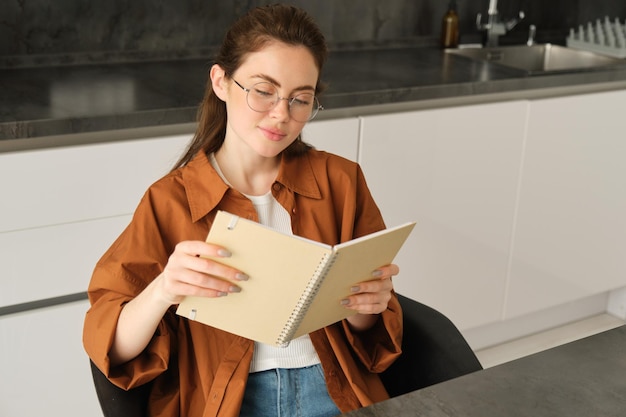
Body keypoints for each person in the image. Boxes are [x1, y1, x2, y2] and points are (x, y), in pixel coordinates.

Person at [83, 4, 402, 417]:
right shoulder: (170, 200)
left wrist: (368, 306)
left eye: (300, 99)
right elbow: (111, 345)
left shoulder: (342, 182)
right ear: (221, 82)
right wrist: (163, 289)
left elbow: (374, 337)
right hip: (227, 401)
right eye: (263, 91)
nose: (281, 115)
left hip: (335, 388)